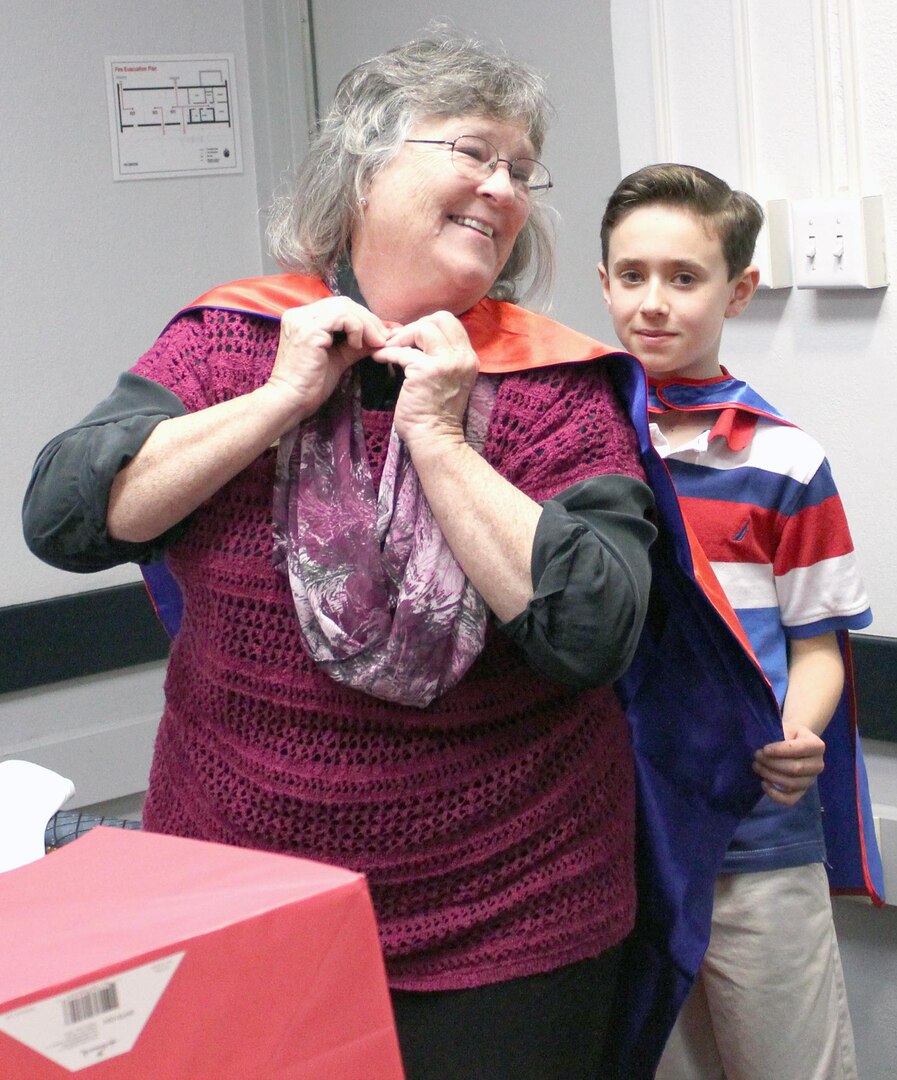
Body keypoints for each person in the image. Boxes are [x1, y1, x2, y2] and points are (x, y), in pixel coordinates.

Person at [23, 30, 663, 1079]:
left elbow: (590, 633)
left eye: (520, 171)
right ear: (365, 166)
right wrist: (278, 400)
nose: (502, 189)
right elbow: (67, 518)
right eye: (472, 152)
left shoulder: (557, 388)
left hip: (509, 921)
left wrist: (442, 438)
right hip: (239, 897)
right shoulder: (230, 343)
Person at [599, 162, 880, 1080]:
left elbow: (816, 643)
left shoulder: (785, 461)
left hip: (751, 829)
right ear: (602, 281)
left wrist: (797, 732)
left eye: (683, 278)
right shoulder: (569, 443)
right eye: (631, 275)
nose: (652, 303)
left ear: (739, 290)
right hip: (614, 831)